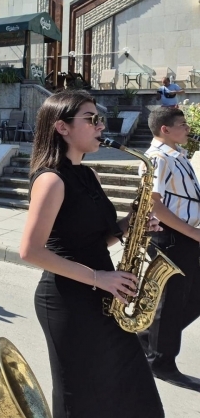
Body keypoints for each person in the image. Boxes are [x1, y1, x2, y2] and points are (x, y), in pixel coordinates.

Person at [20, 90, 164, 418]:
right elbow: (30, 251)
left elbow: (94, 241)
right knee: (81, 398)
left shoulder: (89, 174)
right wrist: (100, 277)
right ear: (62, 127)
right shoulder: (50, 180)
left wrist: (131, 224)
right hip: (68, 302)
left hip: (103, 296)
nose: (101, 125)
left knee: (133, 390)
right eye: (92, 119)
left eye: (99, 119)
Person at [137, 106, 200, 391]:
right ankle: (161, 362)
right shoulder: (157, 158)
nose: (187, 129)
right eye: (182, 125)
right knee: (171, 302)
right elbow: (155, 205)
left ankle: (147, 339)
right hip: (172, 238)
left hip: (186, 237)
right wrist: (193, 233)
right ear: (165, 129)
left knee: (193, 297)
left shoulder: (177, 155)